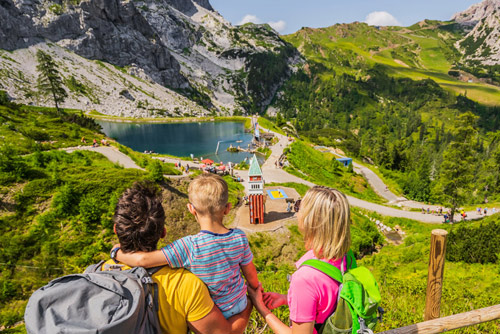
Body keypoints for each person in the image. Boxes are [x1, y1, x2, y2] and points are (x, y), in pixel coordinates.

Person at [107, 181, 251, 333]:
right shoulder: (187, 285)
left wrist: (115, 253)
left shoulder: (97, 273)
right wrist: (249, 304)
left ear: (115, 230)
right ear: (163, 232)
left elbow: (141, 261)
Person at [248, 186, 352, 334]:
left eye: (298, 207)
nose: (296, 212)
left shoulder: (305, 279)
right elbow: (327, 302)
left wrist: (262, 309)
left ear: (311, 220)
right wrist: (286, 299)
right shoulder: (345, 257)